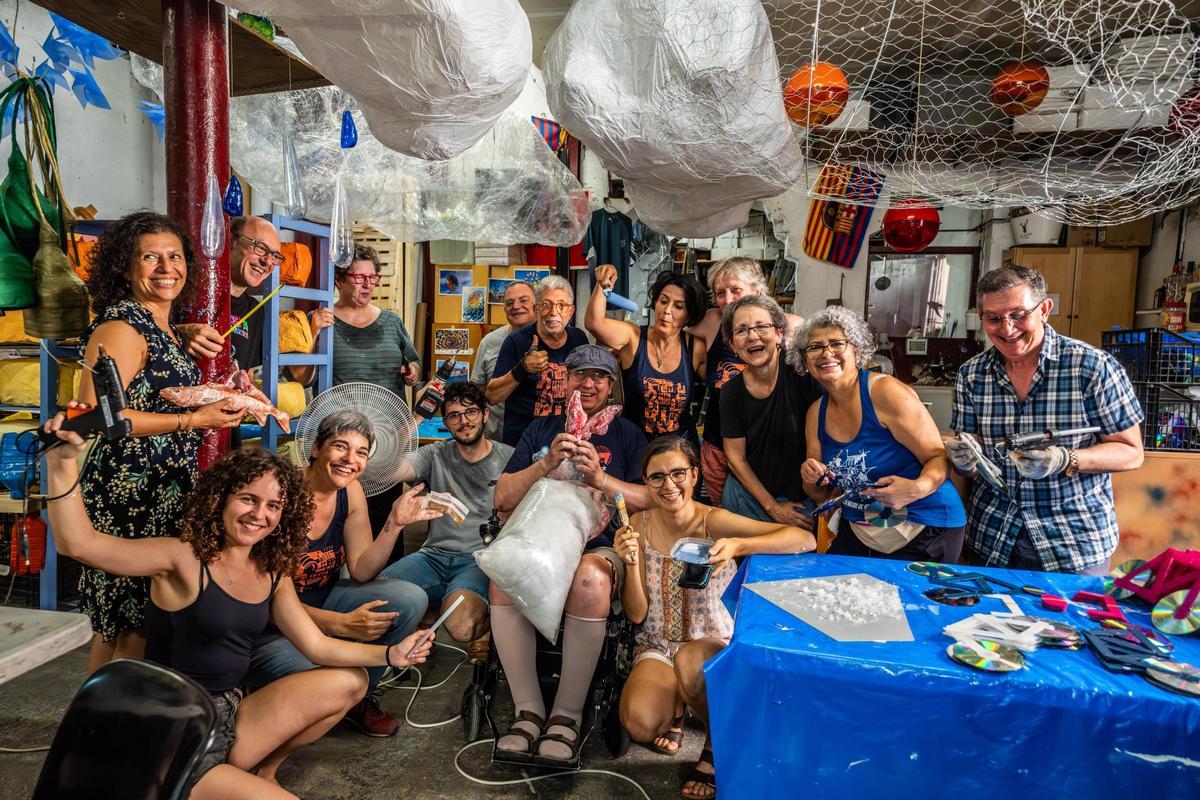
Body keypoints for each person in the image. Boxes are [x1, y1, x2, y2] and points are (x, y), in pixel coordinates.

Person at [41, 414, 434, 800]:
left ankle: (258, 772)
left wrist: (390, 654)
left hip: (227, 715)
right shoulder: (181, 557)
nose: (259, 515)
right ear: (221, 499)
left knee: (350, 681)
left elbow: (317, 646)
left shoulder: (271, 571)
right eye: (248, 499)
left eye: (272, 506)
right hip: (173, 727)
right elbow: (80, 545)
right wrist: (61, 465)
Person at [76, 211, 244, 671]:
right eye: (149, 257)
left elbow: (154, 386)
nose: (165, 267)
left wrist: (217, 385)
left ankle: (100, 729)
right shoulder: (122, 327)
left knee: (134, 619)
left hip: (161, 486)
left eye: (175, 256)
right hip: (129, 489)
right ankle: (111, 730)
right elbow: (97, 416)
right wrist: (196, 420)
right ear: (125, 268)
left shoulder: (160, 325)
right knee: (131, 621)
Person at [615, 436, 815, 800]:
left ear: (694, 475)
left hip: (710, 645)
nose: (669, 485)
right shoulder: (638, 526)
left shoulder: (714, 520)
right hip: (659, 645)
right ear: (646, 483)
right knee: (640, 723)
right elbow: (636, 613)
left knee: (691, 663)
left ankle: (715, 744)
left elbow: (803, 540)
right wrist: (630, 564)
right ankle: (677, 708)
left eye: (678, 473)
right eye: (656, 477)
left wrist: (739, 545)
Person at [490, 345, 651, 764]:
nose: (589, 383)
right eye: (580, 374)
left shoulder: (628, 434)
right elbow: (502, 497)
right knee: (503, 576)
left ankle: (566, 714)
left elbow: (650, 499)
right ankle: (527, 709)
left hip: (601, 545)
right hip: (539, 538)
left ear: (612, 385)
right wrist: (545, 466)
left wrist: (600, 477)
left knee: (589, 580)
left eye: (600, 376)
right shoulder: (541, 430)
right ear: (566, 380)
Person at [246, 411, 437, 738]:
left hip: (325, 600)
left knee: (409, 598)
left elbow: (362, 569)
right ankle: (325, 693)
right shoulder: (280, 497)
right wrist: (340, 624)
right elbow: (262, 602)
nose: (350, 460)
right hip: (269, 627)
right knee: (319, 671)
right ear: (317, 448)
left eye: (361, 452)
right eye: (340, 447)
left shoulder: (351, 492)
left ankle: (359, 698)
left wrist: (395, 523)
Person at [948, 265, 1144, 575]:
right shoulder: (972, 375)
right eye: (994, 318)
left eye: (1019, 315)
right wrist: (964, 461)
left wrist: (1065, 458)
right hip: (992, 539)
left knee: (1068, 625)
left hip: (1071, 541)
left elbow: (1131, 452)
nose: (1008, 329)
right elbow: (972, 462)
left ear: (1045, 309)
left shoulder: (1092, 367)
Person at [796, 307, 967, 562]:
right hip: (862, 529)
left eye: (836, 343)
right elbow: (820, 494)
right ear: (804, 361)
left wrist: (916, 488)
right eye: (814, 347)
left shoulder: (885, 392)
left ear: (857, 351)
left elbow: (938, 456)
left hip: (925, 524)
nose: (826, 353)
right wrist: (812, 477)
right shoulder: (815, 414)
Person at [383, 382, 514, 653]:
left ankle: (488, 625)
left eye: (470, 413)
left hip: (479, 561)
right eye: (454, 415)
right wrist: (416, 418)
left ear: (485, 415)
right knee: (380, 598)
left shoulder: (509, 458)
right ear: (446, 422)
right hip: (432, 556)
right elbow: (390, 471)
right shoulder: (436, 454)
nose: (463, 421)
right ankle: (428, 607)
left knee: (460, 626)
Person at [686, 256, 803, 504]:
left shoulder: (788, 327)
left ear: (758, 290)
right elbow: (673, 319)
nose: (727, 300)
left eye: (736, 290)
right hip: (718, 445)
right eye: (720, 292)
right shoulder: (712, 321)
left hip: (770, 450)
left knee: (771, 519)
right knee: (728, 518)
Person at [328, 244, 423, 533]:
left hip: (389, 443)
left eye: (373, 278)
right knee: (342, 516)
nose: (368, 284)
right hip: (344, 443)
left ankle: (386, 574)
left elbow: (415, 362)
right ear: (340, 279)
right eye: (359, 278)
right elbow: (306, 376)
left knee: (386, 519)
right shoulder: (326, 322)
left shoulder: (391, 322)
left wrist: (412, 372)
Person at [180, 215, 334, 377]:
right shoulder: (186, 293)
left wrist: (313, 332)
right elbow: (150, 331)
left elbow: (299, 378)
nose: (268, 262)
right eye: (260, 247)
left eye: (275, 256)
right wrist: (180, 332)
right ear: (232, 240)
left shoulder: (258, 313)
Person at [719, 296, 822, 526]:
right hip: (747, 499)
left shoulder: (804, 374)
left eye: (761, 327)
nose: (752, 336)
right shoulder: (730, 392)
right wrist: (771, 507)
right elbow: (736, 458)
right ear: (733, 345)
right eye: (742, 330)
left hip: (802, 500)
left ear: (779, 333)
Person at [585, 265, 706, 444]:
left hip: (679, 452)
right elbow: (594, 323)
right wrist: (602, 285)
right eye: (663, 301)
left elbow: (722, 386)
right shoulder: (633, 338)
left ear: (688, 315)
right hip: (634, 446)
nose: (667, 311)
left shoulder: (694, 348)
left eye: (678, 306)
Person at [487, 275, 589, 447]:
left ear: (570, 312)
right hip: (524, 444)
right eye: (546, 305)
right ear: (536, 309)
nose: (553, 312)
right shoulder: (516, 341)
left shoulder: (578, 339)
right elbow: (491, 396)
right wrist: (523, 368)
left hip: (567, 441)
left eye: (561, 306)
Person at [471, 280, 536, 440]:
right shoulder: (490, 342)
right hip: (498, 441)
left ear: (537, 304)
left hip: (541, 440)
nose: (516, 306)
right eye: (509, 302)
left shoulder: (551, 340)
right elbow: (478, 391)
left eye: (523, 300)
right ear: (505, 309)